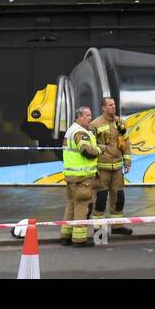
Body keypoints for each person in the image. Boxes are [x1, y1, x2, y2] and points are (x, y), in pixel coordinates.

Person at [90, 96, 132, 236]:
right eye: (109, 105)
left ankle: (117, 226)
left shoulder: (120, 122)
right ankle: (99, 229)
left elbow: (125, 143)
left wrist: (127, 162)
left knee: (119, 197)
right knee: (101, 198)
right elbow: (90, 146)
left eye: (114, 104)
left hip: (117, 169)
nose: (113, 107)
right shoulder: (95, 124)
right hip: (102, 168)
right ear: (103, 108)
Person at [61, 106, 101, 247]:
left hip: (72, 176)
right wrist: (99, 150)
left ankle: (66, 236)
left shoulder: (71, 130)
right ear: (79, 117)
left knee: (71, 205)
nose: (90, 117)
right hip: (81, 178)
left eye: (90, 115)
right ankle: (79, 239)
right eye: (87, 115)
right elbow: (86, 151)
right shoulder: (80, 132)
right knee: (82, 207)